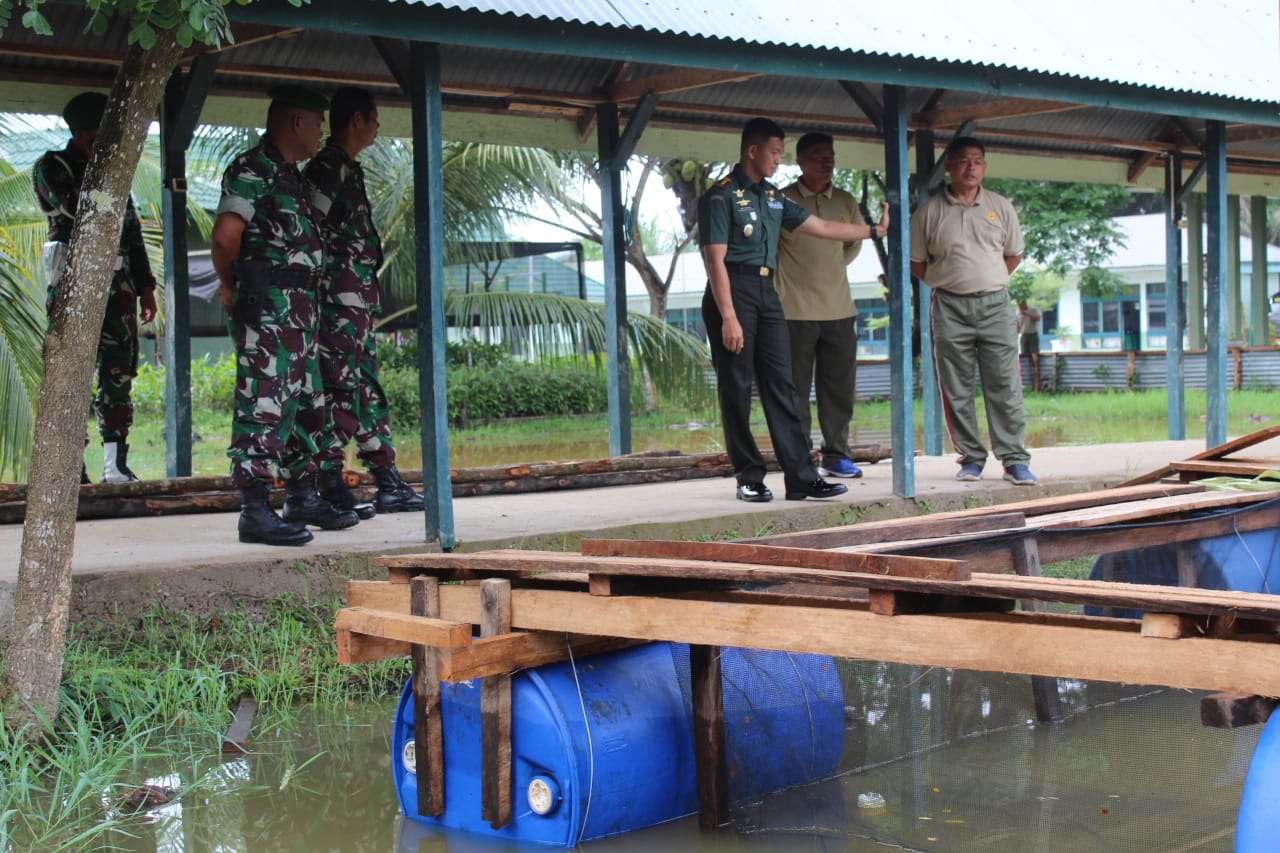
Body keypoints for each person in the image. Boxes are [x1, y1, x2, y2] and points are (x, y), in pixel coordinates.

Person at [698, 117, 886, 503]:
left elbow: (822, 226)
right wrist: (729, 316)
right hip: (732, 290)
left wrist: (873, 231)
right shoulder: (720, 196)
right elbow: (714, 261)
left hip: (769, 292)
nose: (778, 161)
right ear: (753, 151)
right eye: (774, 152)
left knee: (782, 386)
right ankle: (748, 476)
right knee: (736, 387)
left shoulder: (773, 197)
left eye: (781, 153)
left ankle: (801, 477)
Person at [211, 85, 358, 546]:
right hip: (270, 309)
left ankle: (302, 496)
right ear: (297, 122)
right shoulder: (253, 168)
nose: (320, 134)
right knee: (265, 401)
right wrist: (231, 284)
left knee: (306, 404)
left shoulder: (289, 174)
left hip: (300, 312)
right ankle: (254, 510)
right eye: (317, 124)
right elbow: (224, 236)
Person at [304, 86, 423, 517]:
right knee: (338, 389)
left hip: (355, 307)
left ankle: (386, 479)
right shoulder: (328, 169)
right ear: (356, 120)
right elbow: (309, 229)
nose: (377, 126)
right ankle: (329, 482)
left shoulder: (348, 170)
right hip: (335, 306)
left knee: (365, 390)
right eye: (373, 117)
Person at [34, 91, 158, 484]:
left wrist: (146, 288)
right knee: (71, 376)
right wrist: (105, 176)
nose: (99, 143)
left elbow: (133, 234)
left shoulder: (116, 174)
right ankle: (72, 468)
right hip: (74, 287)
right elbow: (78, 205)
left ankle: (114, 465)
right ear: (79, 133)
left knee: (118, 374)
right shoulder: (53, 165)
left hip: (118, 290)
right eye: (93, 136)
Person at [909, 137, 1036, 485]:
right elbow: (917, 262)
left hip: (995, 304)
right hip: (949, 305)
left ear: (985, 166)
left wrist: (986, 279)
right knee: (956, 385)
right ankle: (971, 458)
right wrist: (950, 280)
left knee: (1005, 383)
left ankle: (1014, 460)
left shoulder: (1000, 206)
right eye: (963, 161)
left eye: (977, 161)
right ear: (948, 165)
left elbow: (1013, 255)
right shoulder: (929, 211)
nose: (971, 168)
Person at [776, 132, 867, 480]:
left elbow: (851, 247)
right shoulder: (781, 199)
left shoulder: (845, 200)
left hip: (840, 311)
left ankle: (837, 456)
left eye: (830, 156)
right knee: (794, 391)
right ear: (798, 161)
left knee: (839, 390)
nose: (827, 162)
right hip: (792, 312)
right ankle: (800, 458)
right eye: (817, 156)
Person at [1017, 301, 1043, 390]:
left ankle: (1036, 386)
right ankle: (1025, 385)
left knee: (1034, 359)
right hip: (1023, 336)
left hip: (1033, 335)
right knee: (1024, 359)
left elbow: (1038, 318)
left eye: (1021, 304)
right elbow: (1017, 326)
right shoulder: (1018, 312)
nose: (1019, 306)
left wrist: (1026, 313)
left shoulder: (1033, 310)